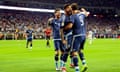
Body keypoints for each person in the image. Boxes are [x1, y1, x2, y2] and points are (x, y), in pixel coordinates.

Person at [62, 3, 89, 72]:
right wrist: (83, 10)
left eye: (70, 7)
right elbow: (86, 14)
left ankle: (76, 69)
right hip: (83, 35)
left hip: (76, 35)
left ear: (72, 9)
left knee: (73, 52)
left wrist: (63, 28)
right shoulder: (81, 14)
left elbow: (70, 26)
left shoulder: (73, 16)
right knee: (79, 50)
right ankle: (84, 64)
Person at [60, 4, 74, 68]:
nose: (70, 9)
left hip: (72, 35)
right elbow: (61, 29)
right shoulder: (63, 17)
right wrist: (63, 39)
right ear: (65, 9)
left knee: (72, 50)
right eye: (69, 8)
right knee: (67, 50)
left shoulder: (70, 16)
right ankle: (63, 67)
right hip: (68, 35)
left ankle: (72, 63)